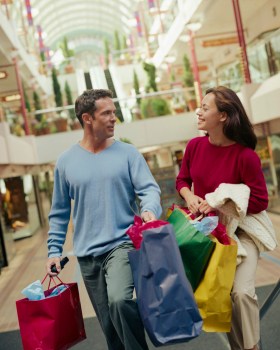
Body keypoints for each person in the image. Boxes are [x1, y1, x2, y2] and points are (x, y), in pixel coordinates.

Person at [46, 88, 162, 350]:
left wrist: (150, 209)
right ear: (87, 118)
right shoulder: (65, 162)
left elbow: (149, 189)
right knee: (109, 327)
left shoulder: (128, 154)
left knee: (120, 301)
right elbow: (59, 211)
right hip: (87, 254)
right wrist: (53, 251)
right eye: (107, 113)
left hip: (121, 244)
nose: (114, 118)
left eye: (114, 112)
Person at [176, 86, 271, 350]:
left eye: (205, 108)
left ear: (224, 116)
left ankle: (251, 347)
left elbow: (261, 201)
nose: (199, 111)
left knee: (241, 292)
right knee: (222, 298)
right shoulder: (194, 146)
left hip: (241, 235)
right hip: (208, 234)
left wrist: (220, 202)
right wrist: (189, 197)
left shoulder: (245, 156)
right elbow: (182, 179)